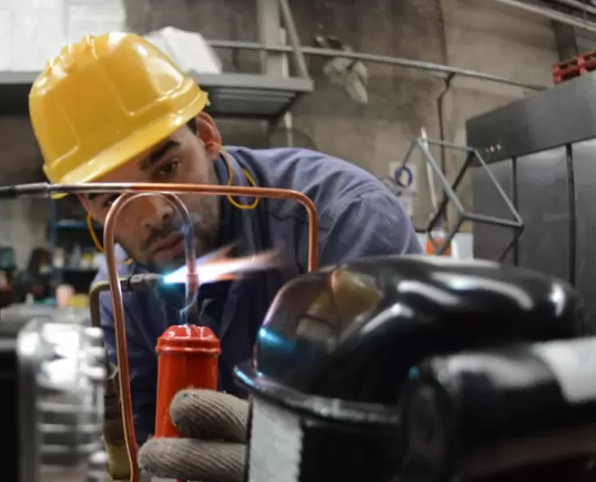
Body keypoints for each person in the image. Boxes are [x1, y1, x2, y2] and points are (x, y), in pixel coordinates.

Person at [28, 32, 422, 480]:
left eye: (167, 168)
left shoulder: (344, 219)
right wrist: (115, 437)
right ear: (88, 208)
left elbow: (412, 433)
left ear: (209, 137)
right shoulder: (118, 293)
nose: (156, 213)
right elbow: (141, 453)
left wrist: (287, 455)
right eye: (112, 197)